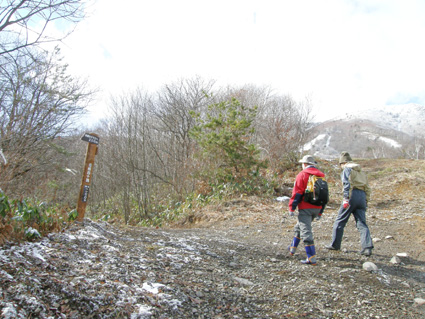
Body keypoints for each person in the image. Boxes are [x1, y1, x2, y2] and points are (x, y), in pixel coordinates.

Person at [325, 151, 373, 256]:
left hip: (352, 195)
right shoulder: (361, 172)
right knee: (361, 223)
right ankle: (367, 247)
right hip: (362, 196)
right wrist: (366, 201)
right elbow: (368, 188)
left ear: (343, 163)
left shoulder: (347, 169)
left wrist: (346, 198)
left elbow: (346, 183)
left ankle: (335, 244)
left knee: (340, 220)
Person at [287, 154, 326, 265]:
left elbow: (297, 193)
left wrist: (292, 207)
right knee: (299, 227)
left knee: (306, 232)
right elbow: (325, 195)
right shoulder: (321, 176)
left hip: (305, 208)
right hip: (317, 208)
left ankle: (311, 258)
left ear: (304, 164)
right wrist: (320, 211)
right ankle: (292, 249)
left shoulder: (302, 175)